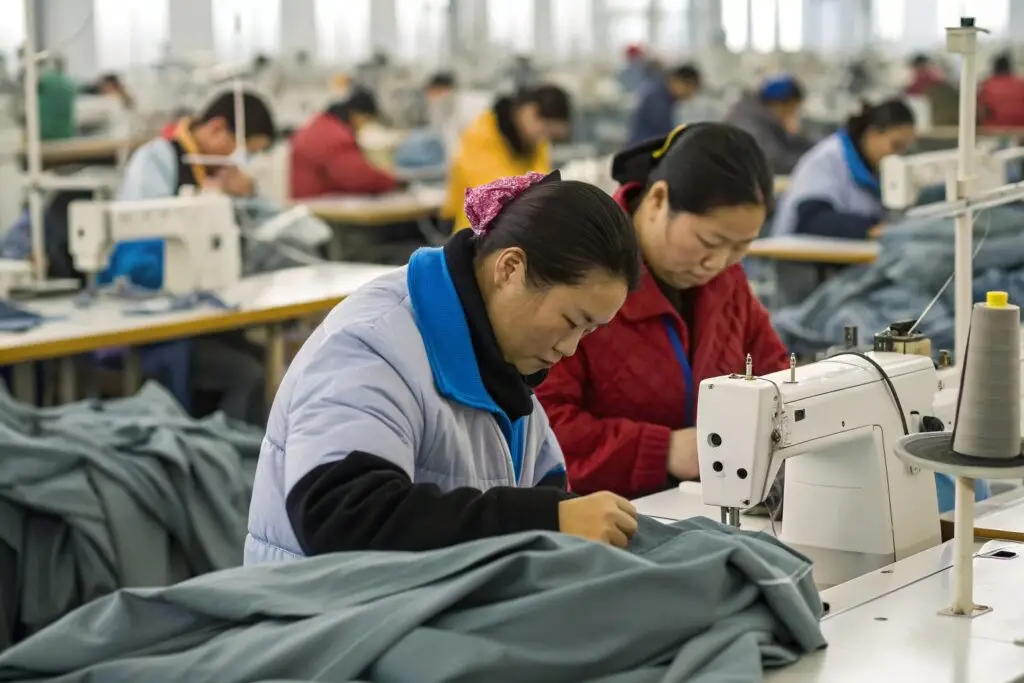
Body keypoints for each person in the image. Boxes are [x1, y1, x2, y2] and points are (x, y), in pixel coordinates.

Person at [244, 172, 643, 563]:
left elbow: (545, 495)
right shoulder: (372, 345)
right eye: (571, 321)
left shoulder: (507, 377)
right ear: (509, 269)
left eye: (588, 331)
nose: (571, 348)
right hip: (320, 615)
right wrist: (543, 520)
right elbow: (340, 515)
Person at [536, 123, 789, 499]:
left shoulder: (727, 283)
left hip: (695, 503)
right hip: (600, 514)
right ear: (657, 200)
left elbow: (777, 379)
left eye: (741, 247)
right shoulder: (578, 273)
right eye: (709, 241)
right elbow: (541, 426)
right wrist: (665, 451)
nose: (719, 262)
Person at [107, 90, 277, 425]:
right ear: (217, 129)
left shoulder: (221, 175)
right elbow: (142, 242)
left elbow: (275, 228)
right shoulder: (156, 160)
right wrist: (206, 200)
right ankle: (229, 462)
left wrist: (249, 193)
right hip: (159, 322)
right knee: (250, 375)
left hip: (211, 314)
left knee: (265, 363)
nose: (242, 161)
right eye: (243, 150)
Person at [771, 99, 916, 240]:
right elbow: (812, 220)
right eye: (896, 146)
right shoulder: (828, 159)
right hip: (799, 260)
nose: (899, 155)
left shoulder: (871, 168)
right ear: (872, 134)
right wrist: (872, 227)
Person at [442, 85, 572, 232]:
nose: (545, 138)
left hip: (514, 229)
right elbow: (491, 195)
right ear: (531, 111)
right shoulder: (482, 133)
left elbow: (542, 186)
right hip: (475, 234)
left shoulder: (534, 141)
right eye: (545, 130)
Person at [289, 88, 399, 199]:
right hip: (320, 210)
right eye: (366, 121)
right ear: (357, 116)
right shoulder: (335, 136)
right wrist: (393, 181)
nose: (363, 128)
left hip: (308, 204)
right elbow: (359, 178)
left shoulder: (319, 124)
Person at [723, 75, 814, 175]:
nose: (793, 113)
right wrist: (812, 161)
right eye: (792, 108)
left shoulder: (765, 120)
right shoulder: (749, 124)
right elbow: (773, 163)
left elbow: (792, 144)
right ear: (780, 105)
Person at [626, 64, 701, 145]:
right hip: (642, 150)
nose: (690, 95)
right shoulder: (657, 101)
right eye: (690, 88)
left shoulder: (663, 98)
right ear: (676, 81)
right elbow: (665, 135)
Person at [979, 53, 1024, 128]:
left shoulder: (986, 85)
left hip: (992, 130)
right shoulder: (1021, 84)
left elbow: (981, 111)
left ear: (994, 69)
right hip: (1020, 130)